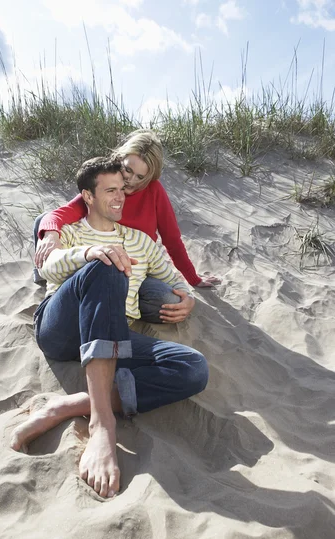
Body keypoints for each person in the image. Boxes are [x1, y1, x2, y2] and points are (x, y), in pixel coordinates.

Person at [11, 157, 209, 499]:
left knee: (193, 368)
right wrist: (91, 251)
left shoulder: (140, 240)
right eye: (110, 191)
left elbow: (171, 276)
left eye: (122, 190)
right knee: (106, 266)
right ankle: (102, 423)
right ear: (87, 196)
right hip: (63, 331)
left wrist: (187, 296)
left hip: (114, 334)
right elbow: (50, 266)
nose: (119, 197)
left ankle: (72, 405)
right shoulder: (68, 232)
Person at [33, 129, 220, 325]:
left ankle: (123, 306)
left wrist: (193, 279)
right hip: (100, 264)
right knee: (44, 223)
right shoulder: (107, 185)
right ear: (120, 160)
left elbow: (172, 240)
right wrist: (52, 235)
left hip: (137, 271)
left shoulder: (154, 192)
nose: (131, 180)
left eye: (140, 177)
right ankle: (45, 277)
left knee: (170, 301)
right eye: (128, 170)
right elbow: (58, 215)